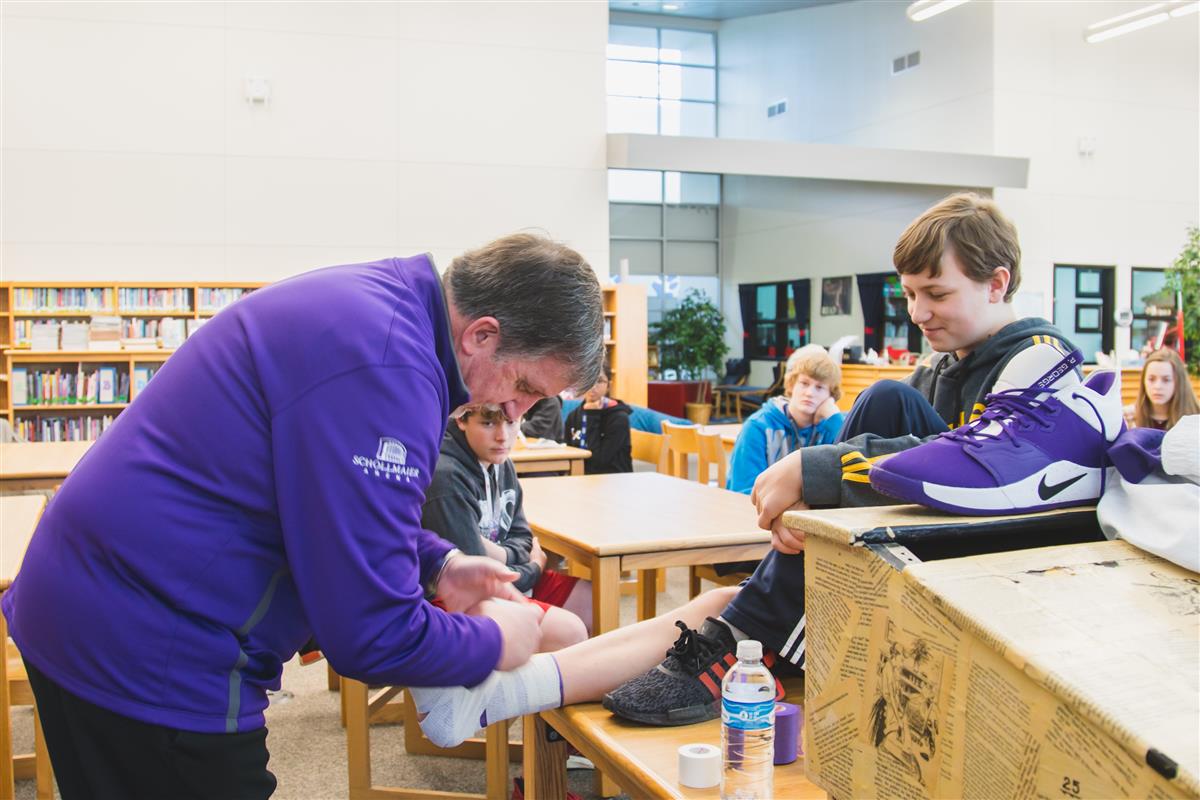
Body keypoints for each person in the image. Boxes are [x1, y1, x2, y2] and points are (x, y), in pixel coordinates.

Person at [1, 233, 604, 798]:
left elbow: (326, 500)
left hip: (102, 599)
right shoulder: (390, 370)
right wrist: (495, 639)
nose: (517, 410)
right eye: (524, 384)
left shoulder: (386, 311)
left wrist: (437, 562)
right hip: (145, 641)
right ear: (481, 335)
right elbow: (370, 634)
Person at [600, 192, 1091, 726]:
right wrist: (816, 497)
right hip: (936, 546)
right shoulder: (937, 369)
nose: (918, 313)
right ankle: (771, 620)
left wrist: (817, 469)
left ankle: (756, 629)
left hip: (1004, 560)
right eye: (907, 294)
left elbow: (981, 458)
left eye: (936, 293)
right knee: (887, 399)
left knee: (884, 399)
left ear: (997, 283)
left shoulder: (1044, 358)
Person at [422, 403, 592, 650]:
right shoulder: (447, 477)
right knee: (570, 630)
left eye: (512, 422)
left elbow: (523, 536)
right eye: (488, 423)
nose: (502, 436)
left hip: (506, 580)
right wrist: (534, 567)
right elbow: (477, 581)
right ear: (461, 419)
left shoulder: (502, 462)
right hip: (451, 602)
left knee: (592, 599)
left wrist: (501, 554)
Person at [726, 344, 845, 494]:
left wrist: (834, 417)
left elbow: (847, 483)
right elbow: (742, 490)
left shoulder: (831, 427)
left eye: (819, 387)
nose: (809, 393)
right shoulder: (758, 427)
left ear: (831, 396)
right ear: (791, 385)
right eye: (804, 383)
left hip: (809, 515)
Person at [563, 364, 632, 474]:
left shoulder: (619, 418)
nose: (593, 386)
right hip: (581, 479)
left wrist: (592, 415)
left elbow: (599, 461)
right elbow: (567, 451)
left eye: (599, 381)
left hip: (612, 480)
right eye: (588, 379)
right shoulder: (574, 416)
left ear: (609, 385)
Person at [1127, 348, 1198, 431]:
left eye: (1166, 380)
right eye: (1151, 379)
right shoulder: (1130, 418)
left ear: (1179, 382)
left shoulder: (1196, 418)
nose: (1158, 386)